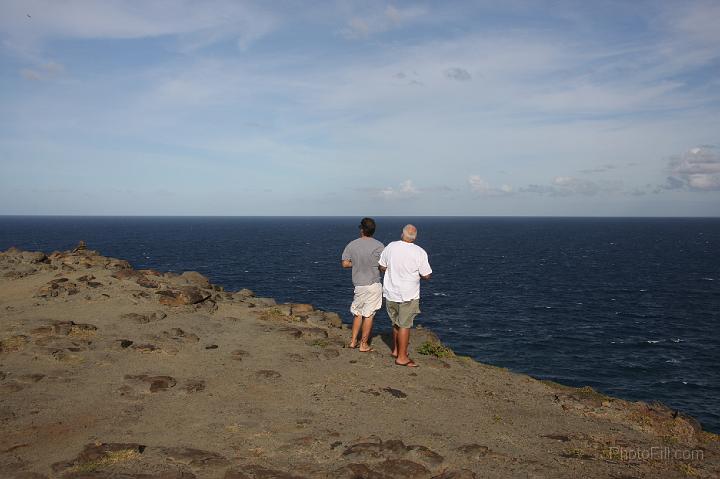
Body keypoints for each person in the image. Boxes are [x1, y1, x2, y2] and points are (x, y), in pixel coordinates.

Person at [378, 224, 432, 367]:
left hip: (390, 292)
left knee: (396, 323)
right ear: (415, 237)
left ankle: (396, 350)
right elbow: (426, 275)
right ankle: (402, 357)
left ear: (402, 234)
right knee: (405, 325)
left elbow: (382, 266)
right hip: (408, 294)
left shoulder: (390, 246)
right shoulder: (419, 252)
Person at [341, 217, 385, 352]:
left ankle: (353, 341)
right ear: (373, 230)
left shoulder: (352, 244)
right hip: (373, 284)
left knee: (358, 313)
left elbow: (345, 264)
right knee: (369, 315)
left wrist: (358, 263)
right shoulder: (379, 246)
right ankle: (364, 344)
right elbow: (383, 267)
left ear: (361, 229)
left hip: (359, 285)